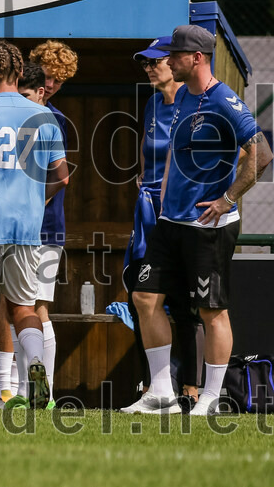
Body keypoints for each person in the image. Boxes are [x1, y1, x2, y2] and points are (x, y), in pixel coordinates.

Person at [127, 25, 272, 416]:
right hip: (170, 223)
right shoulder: (182, 99)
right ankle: (160, 394)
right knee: (144, 297)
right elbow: (174, 152)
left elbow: (261, 155)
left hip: (208, 227)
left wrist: (226, 200)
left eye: (175, 55)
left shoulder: (224, 100)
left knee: (212, 311)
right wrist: (162, 204)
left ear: (197, 58)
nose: (168, 60)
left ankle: (209, 397)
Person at [0, 40, 68, 410]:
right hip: (28, 228)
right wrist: (34, 198)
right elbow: (62, 176)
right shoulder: (44, 117)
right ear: (20, 73)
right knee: (23, 307)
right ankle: (35, 368)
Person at [122, 37, 202, 410]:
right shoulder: (153, 103)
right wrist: (144, 185)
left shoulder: (195, 105)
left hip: (183, 216)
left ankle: (191, 389)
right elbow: (147, 154)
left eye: (156, 62)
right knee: (140, 297)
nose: (150, 68)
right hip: (149, 214)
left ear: (174, 64)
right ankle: (154, 387)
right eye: (145, 64)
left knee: (184, 304)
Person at [27, 40, 78, 404]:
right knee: (9, 305)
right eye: (47, 77)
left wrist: (31, 204)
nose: (51, 86)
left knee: (38, 306)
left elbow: (59, 176)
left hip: (44, 227)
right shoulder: (4, 113)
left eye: (59, 82)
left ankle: (43, 391)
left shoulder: (56, 120)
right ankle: (10, 388)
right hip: (10, 227)